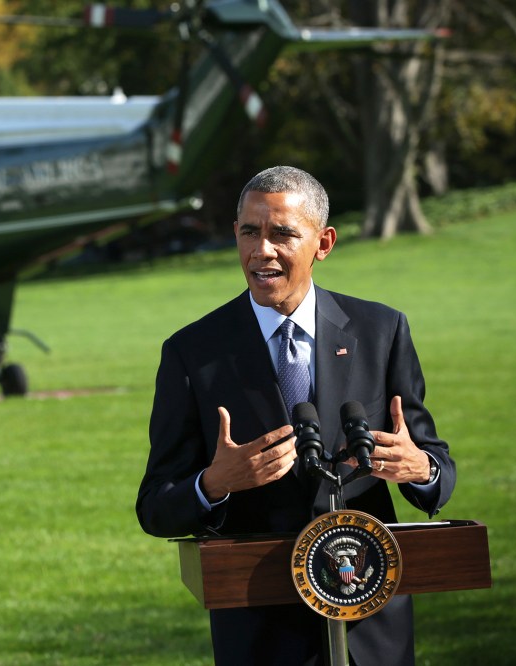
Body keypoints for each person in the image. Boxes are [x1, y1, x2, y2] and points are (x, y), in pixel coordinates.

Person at [136, 166, 455, 665]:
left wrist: (422, 469)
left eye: (282, 234)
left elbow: (436, 467)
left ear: (323, 242)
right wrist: (214, 483)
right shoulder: (192, 352)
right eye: (249, 232)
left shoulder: (381, 330)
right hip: (261, 632)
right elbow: (155, 506)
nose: (261, 250)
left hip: (372, 631)